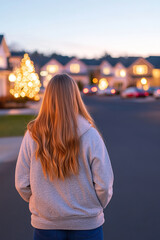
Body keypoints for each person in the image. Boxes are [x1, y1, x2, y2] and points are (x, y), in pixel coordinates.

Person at [15, 73, 114, 240]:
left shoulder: (33, 135)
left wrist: (43, 204)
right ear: (74, 96)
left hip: (46, 225)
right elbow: (104, 185)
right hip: (86, 224)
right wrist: (93, 207)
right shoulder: (91, 135)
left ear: (47, 97)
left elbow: (22, 183)